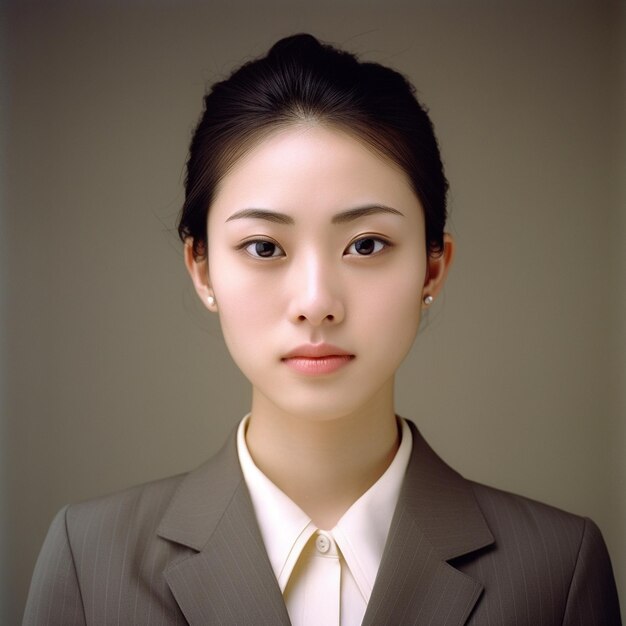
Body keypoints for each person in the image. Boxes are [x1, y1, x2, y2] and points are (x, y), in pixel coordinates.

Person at [23, 33, 620, 626]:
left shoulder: (556, 569)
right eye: (263, 246)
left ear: (433, 265)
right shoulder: (89, 560)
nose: (315, 302)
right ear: (201, 269)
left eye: (366, 245)